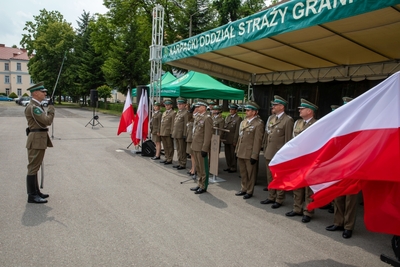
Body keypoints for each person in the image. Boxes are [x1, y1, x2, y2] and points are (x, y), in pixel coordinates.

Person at [326, 96, 358, 239]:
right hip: (339, 165)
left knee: (350, 198)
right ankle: (338, 222)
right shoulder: (338, 126)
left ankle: (348, 226)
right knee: (338, 195)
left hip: (353, 166)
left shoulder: (360, 125)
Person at [285, 99, 318, 223]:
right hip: (298, 158)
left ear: (309, 111)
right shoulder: (297, 123)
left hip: (309, 159)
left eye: (302, 109)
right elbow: (293, 140)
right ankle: (297, 208)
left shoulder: (316, 124)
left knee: (308, 188)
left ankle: (308, 212)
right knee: (297, 184)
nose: (299, 110)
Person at [261, 95, 294, 209]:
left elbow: (288, 140)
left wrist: (286, 155)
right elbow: (267, 135)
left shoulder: (287, 120)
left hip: (279, 153)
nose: (273, 107)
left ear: (281, 107)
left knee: (279, 177)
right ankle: (271, 196)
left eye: (275, 105)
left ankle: (279, 199)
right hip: (269, 152)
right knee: (270, 176)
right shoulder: (271, 118)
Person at [25, 82, 55, 204]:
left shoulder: (36, 106)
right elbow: (47, 121)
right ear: (35, 93)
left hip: (38, 138)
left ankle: (36, 191)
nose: (45, 93)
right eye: (43, 92)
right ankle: (32, 195)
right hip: (36, 139)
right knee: (33, 167)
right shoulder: (34, 107)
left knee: (35, 166)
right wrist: (51, 109)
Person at [234, 102, 264, 199]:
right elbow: (240, 137)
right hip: (241, 150)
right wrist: (237, 149)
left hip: (249, 152)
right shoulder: (244, 121)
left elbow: (257, 141)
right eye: (246, 110)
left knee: (250, 173)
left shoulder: (258, 123)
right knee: (243, 172)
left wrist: (254, 155)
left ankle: (249, 191)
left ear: (255, 112)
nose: (246, 112)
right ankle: (243, 188)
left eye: (248, 110)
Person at [190, 100, 213, 194]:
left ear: (204, 107)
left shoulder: (207, 118)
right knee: (198, 167)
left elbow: (208, 135)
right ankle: (199, 184)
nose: (197, 108)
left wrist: (205, 148)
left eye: (199, 106)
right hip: (195, 145)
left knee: (203, 168)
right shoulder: (198, 116)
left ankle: (204, 186)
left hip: (201, 146)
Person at [222, 103, 242, 173]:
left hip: (232, 138)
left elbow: (237, 130)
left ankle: (233, 167)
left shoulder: (238, 118)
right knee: (227, 153)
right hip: (226, 137)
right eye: (230, 109)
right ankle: (229, 165)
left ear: (236, 110)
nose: (231, 111)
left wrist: (235, 140)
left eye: (232, 109)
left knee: (232, 154)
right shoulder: (228, 117)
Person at [172, 97, 189, 170]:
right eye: (178, 104)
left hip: (181, 134)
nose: (179, 105)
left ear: (185, 105)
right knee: (178, 149)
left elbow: (186, 124)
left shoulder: (186, 113)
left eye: (181, 104)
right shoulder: (179, 112)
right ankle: (179, 162)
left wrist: (185, 134)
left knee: (182, 149)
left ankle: (183, 163)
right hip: (176, 133)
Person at [160, 98, 176, 165]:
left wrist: (172, 132)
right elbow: (162, 123)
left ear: (171, 106)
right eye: (166, 105)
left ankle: (170, 159)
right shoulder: (164, 113)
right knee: (165, 146)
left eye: (168, 105)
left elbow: (173, 124)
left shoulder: (173, 113)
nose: (166, 106)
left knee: (170, 146)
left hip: (168, 132)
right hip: (163, 131)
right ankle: (166, 157)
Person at [186, 104, 198, 176]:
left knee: (194, 154)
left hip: (194, 138)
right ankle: (193, 168)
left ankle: (195, 169)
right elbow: (188, 118)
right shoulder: (192, 115)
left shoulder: (198, 116)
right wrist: (190, 111)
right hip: (190, 136)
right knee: (191, 154)